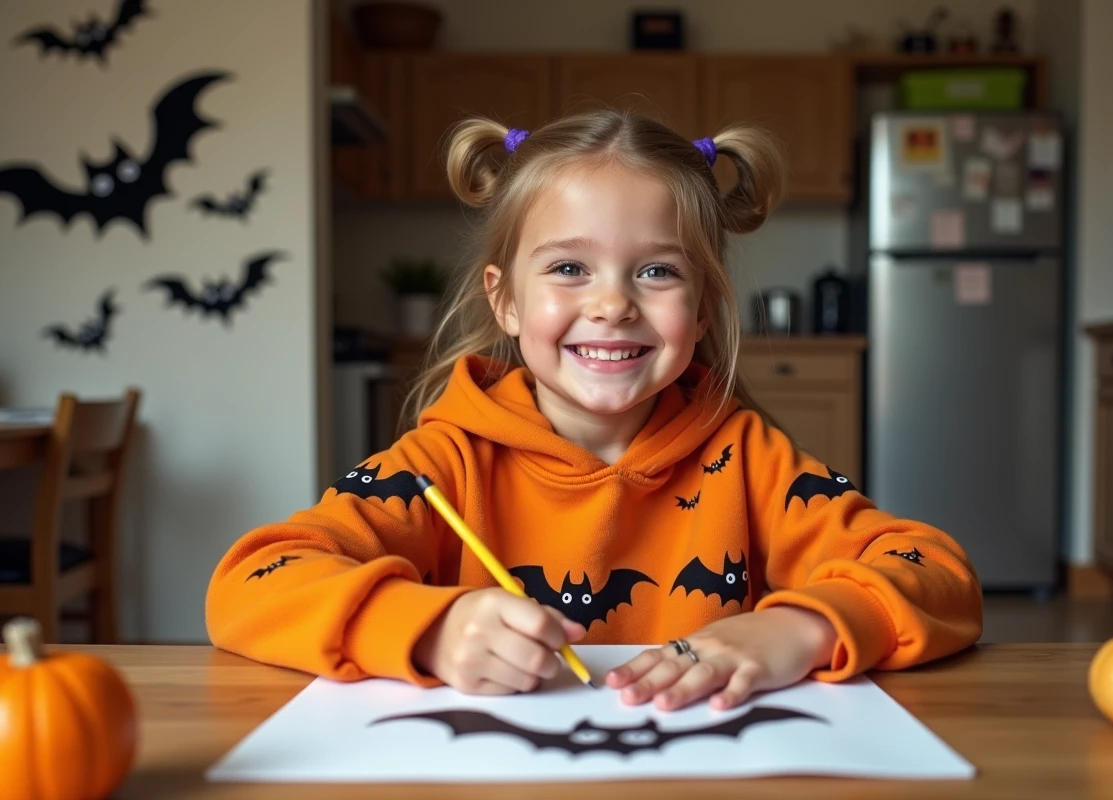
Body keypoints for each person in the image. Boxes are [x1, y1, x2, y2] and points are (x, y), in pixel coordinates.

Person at [206, 109, 982, 713]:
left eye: (656, 271)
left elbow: (937, 572)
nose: (612, 304)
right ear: (505, 299)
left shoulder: (749, 461)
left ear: (704, 308)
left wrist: (796, 629)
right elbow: (252, 581)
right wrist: (426, 628)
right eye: (570, 268)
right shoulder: (441, 465)